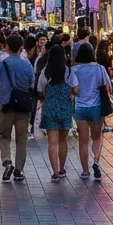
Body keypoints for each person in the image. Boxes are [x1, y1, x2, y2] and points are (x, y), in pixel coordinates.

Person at [0, 34, 36, 183]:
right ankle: (18, 170)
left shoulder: (1, 64)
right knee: (21, 139)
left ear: (6, 47)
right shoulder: (27, 65)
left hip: (6, 105)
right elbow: (32, 83)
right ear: (21, 47)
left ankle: (7, 161)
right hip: (23, 106)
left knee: (4, 136)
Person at [68, 43, 110, 180]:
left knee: (83, 141)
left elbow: (72, 89)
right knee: (97, 137)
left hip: (80, 108)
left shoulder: (74, 70)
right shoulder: (100, 69)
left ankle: (85, 171)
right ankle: (96, 162)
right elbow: (107, 85)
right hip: (96, 107)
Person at [38, 44, 73, 183]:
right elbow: (74, 88)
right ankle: (62, 167)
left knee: (52, 143)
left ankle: (55, 172)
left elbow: (40, 90)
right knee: (63, 141)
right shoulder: (68, 71)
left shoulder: (45, 72)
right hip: (64, 108)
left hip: (50, 109)